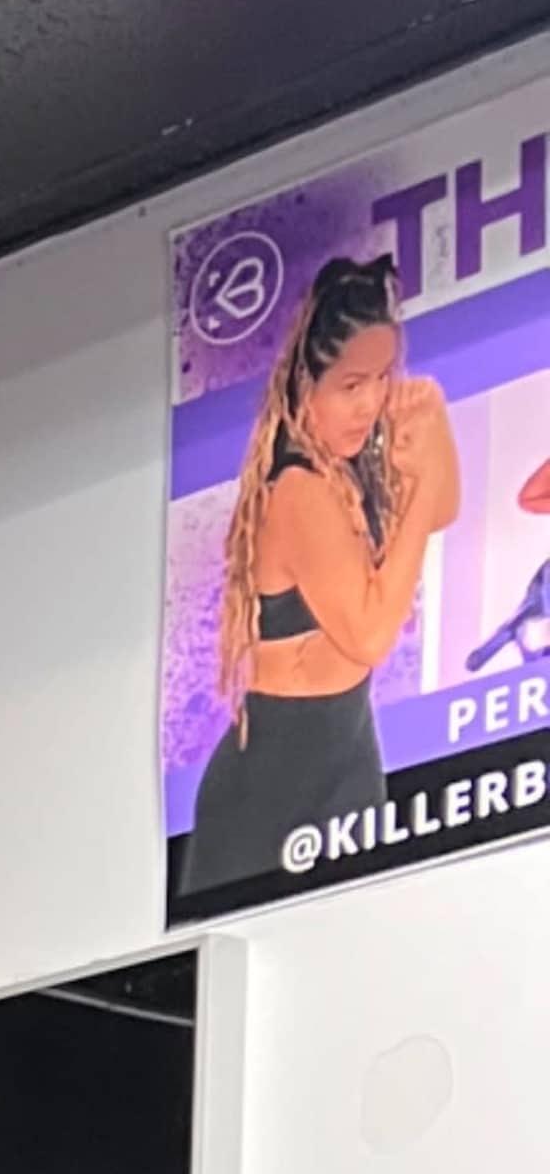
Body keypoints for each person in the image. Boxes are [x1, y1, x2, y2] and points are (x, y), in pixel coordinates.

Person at [180, 251, 461, 900]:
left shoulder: (349, 462)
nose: (369, 406)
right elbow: (367, 634)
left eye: (382, 379)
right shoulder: (299, 489)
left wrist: (432, 419)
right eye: (351, 385)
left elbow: (443, 508)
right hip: (269, 785)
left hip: (350, 746)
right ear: (308, 384)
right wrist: (416, 493)